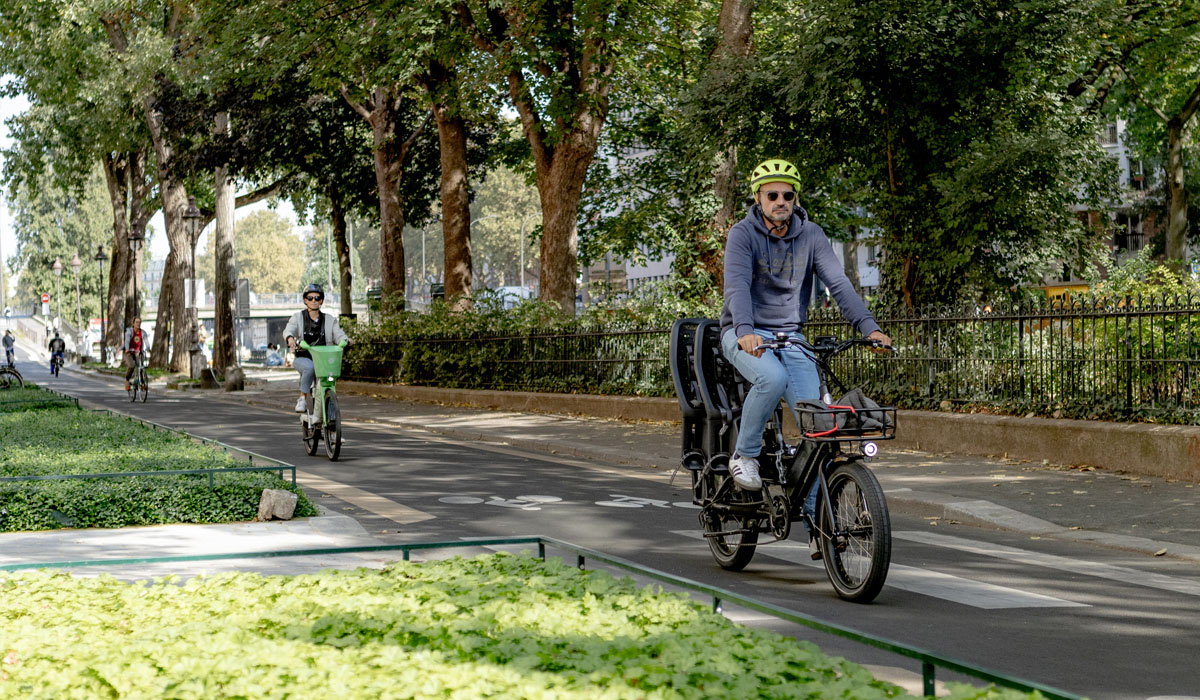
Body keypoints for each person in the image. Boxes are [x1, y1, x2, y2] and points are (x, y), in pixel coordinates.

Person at [720, 158, 891, 500]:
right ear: (758, 199)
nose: (780, 201)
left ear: (795, 198)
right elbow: (737, 286)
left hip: (791, 338)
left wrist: (870, 328)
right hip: (743, 333)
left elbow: (839, 286)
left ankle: (821, 528)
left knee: (818, 427)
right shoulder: (742, 234)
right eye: (772, 195)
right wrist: (744, 329)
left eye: (787, 194)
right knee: (773, 379)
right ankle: (745, 455)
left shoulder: (811, 235)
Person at [284, 284, 348, 420]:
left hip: (324, 361)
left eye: (317, 298)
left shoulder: (330, 320)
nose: (314, 300)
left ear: (321, 301)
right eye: (310, 298)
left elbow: (339, 334)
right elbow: (289, 330)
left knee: (328, 385)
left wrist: (346, 340)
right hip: (304, 358)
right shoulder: (298, 317)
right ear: (305, 300)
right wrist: (290, 339)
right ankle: (302, 398)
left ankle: (332, 430)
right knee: (309, 368)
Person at [122, 317, 148, 391]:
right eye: (136, 322)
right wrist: (127, 348)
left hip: (138, 352)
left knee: (141, 366)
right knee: (132, 365)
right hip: (129, 352)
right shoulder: (129, 331)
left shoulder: (142, 332)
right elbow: (127, 340)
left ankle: (142, 382)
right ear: (133, 323)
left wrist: (148, 348)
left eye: (139, 322)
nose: (138, 324)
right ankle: (127, 379)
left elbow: (146, 341)